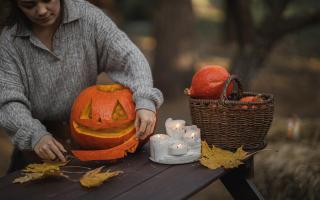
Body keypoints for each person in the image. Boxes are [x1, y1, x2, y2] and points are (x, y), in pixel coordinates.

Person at [0, 0, 163, 171]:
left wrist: (145, 98)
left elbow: (129, 57)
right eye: (29, 4)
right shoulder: (10, 41)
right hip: (36, 149)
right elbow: (8, 100)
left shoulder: (88, 17)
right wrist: (34, 135)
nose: (41, 10)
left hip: (87, 144)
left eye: (48, 0)